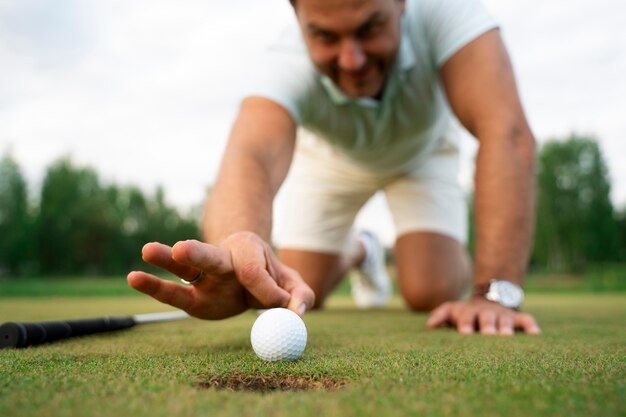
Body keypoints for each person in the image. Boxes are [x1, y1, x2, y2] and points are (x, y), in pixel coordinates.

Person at [128, 0, 541, 336]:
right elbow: (249, 154)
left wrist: (494, 292)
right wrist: (238, 246)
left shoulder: (450, 12)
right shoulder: (284, 60)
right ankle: (362, 250)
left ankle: (371, 252)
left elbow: (507, 133)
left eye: (369, 28)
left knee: (429, 289)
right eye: (325, 36)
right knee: (295, 287)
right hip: (330, 162)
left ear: (401, 4)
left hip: (422, 155)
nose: (352, 59)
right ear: (297, 17)